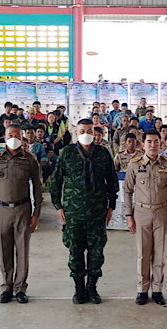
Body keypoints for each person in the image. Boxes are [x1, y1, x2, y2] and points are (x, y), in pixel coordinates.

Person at [50, 118, 119, 304]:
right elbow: (57, 180)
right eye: (82, 131)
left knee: (96, 251)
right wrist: (58, 206)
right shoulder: (67, 153)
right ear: (76, 133)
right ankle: (79, 288)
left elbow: (112, 181)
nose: (86, 134)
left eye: (89, 131)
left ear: (95, 133)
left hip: (97, 211)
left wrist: (111, 206)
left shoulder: (103, 154)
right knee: (75, 250)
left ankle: (92, 287)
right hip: (73, 212)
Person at [0, 125, 44, 304]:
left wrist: (36, 213)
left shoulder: (29, 159)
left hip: (22, 209)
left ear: (22, 137)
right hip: (1, 210)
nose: (13, 138)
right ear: (4, 137)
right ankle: (7, 287)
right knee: (4, 250)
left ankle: (20, 288)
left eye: (17, 135)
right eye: (10, 135)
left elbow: (38, 187)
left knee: (22, 250)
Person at [124, 130, 167, 305]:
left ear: (160, 144)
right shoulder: (134, 164)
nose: (153, 145)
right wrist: (129, 215)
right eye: (149, 142)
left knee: (159, 254)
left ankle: (157, 289)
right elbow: (127, 191)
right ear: (143, 144)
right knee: (143, 253)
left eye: (156, 142)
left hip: (161, 212)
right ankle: (142, 289)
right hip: (141, 213)